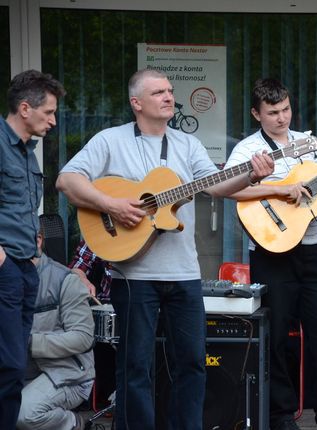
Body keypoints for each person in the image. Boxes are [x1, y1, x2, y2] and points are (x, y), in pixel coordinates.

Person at [55, 69, 275, 430]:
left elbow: (218, 186)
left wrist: (252, 174)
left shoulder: (187, 145)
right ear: (136, 103)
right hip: (133, 276)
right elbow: (68, 179)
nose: (169, 96)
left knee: (192, 363)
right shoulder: (109, 141)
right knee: (135, 367)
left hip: (185, 274)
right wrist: (111, 205)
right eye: (159, 92)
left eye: (170, 90)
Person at [224, 78, 317, 430]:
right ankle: (281, 415)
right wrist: (281, 188)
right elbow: (227, 189)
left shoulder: (307, 145)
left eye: (286, 110)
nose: (282, 118)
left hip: (312, 249)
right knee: (276, 335)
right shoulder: (247, 149)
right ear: (256, 114)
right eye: (273, 112)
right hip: (270, 250)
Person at [0, 69, 65, 429]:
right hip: (5, 268)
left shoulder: (27, 153)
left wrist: (32, 257)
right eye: (49, 112)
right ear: (25, 108)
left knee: (13, 366)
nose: (53, 121)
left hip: (24, 267)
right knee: (6, 364)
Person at [16, 227, 95, 430]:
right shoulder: (7, 279)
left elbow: (83, 337)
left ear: (38, 240)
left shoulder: (65, 280)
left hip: (68, 374)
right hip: (21, 371)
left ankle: (74, 423)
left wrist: (30, 342)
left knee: (24, 413)